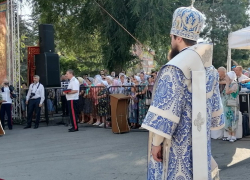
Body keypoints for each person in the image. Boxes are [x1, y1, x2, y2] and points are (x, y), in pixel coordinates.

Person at [141, 2, 224, 179]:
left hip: (176, 143)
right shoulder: (211, 69)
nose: (171, 40)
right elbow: (215, 108)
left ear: (178, 38)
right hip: (200, 142)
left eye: (172, 37)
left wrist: (156, 143)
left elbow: (166, 110)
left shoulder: (174, 68)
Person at [221, 71, 239, 142]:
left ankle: (233, 135)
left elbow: (227, 92)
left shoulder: (234, 84)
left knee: (233, 119)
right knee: (227, 119)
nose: (226, 78)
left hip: (232, 105)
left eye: (227, 76)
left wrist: (227, 83)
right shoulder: (228, 84)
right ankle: (229, 134)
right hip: (226, 105)